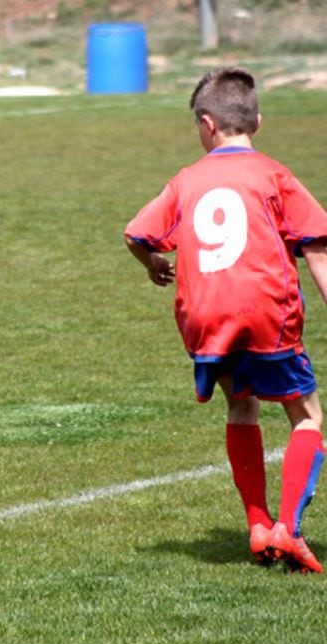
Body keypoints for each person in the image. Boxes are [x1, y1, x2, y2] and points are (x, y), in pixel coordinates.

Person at [125, 66, 327, 573]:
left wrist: (152, 263)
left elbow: (136, 234)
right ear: (256, 121)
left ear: (208, 124)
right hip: (266, 313)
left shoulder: (187, 180)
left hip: (207, 321)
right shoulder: (273, 174)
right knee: (307, 416)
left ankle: (257, 526)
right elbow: (318, 247)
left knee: (241, 408)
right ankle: (287, 527)